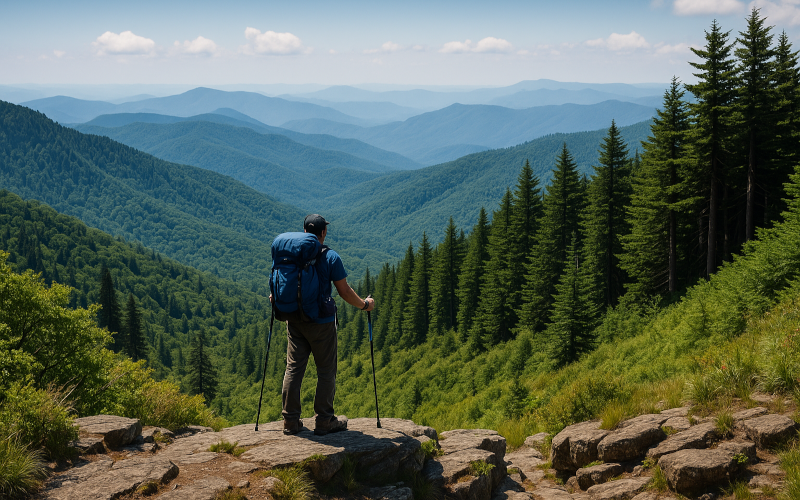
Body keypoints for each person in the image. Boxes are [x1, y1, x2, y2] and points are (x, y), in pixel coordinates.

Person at [280, 214, 375, 436]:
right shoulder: (331, 257)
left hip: (294, 319)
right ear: (324, 233)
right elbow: (344, 291)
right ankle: (324, 420)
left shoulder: (291, 254)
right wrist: (364, 305)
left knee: (293, 368)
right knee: (326, 370)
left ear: (304, 232)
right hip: (321, 323)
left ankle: (290, 422)